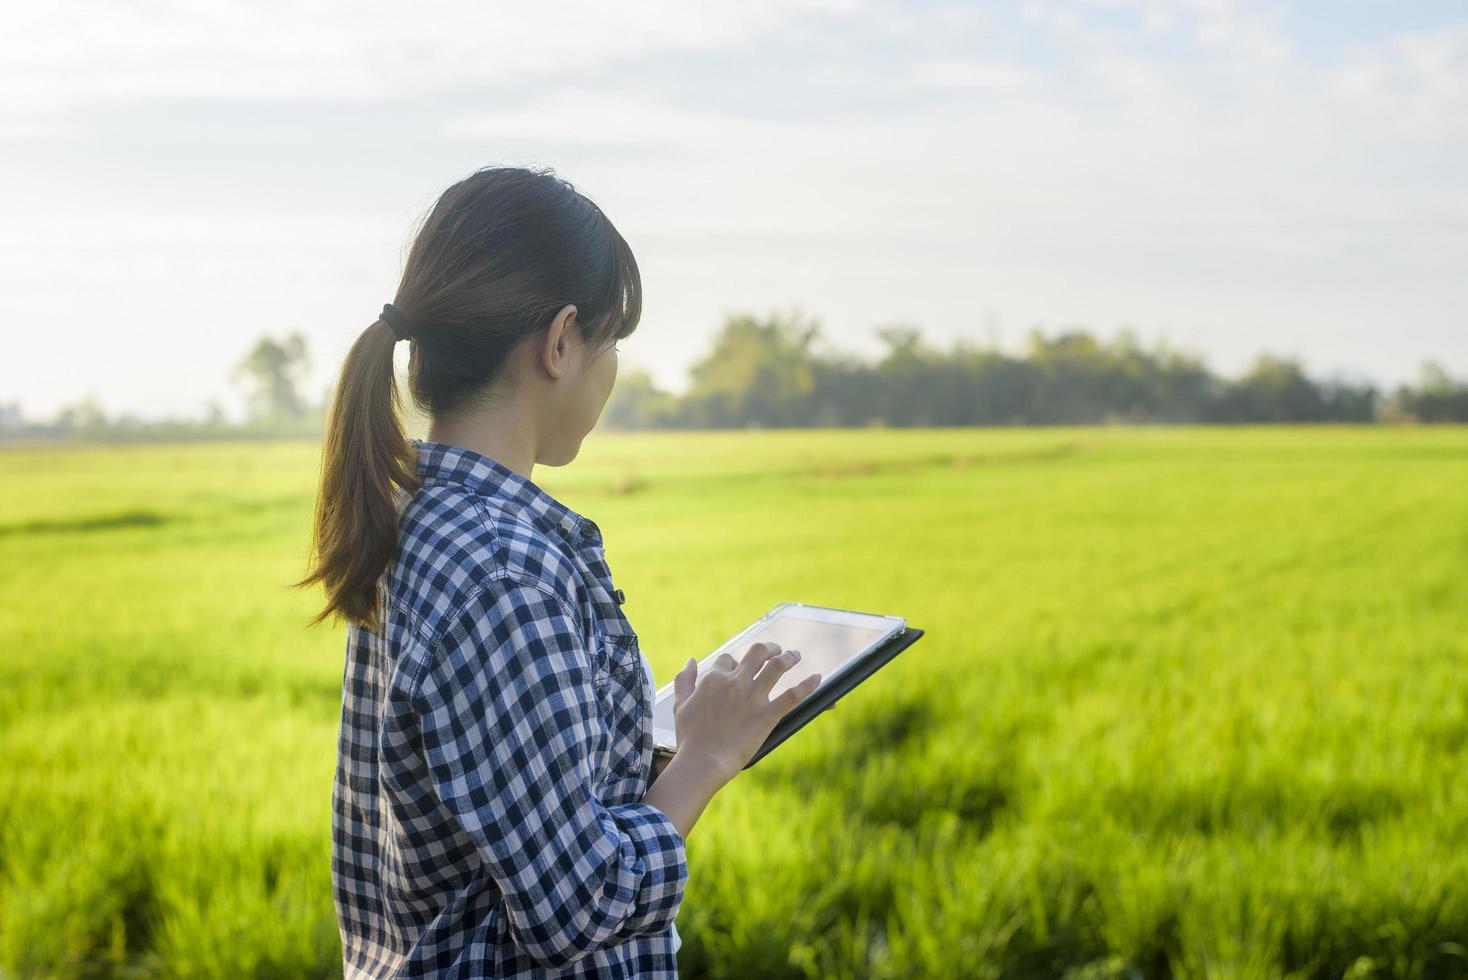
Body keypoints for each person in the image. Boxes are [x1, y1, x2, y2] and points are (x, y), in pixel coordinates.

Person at [296, 165, 827, 978]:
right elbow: (573, 905)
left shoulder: (422, 514)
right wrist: (704, 762)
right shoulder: (505, 571)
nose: (611, 371)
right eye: (612, 342)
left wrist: (647, 751)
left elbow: (496, 810)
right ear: (560, 341)